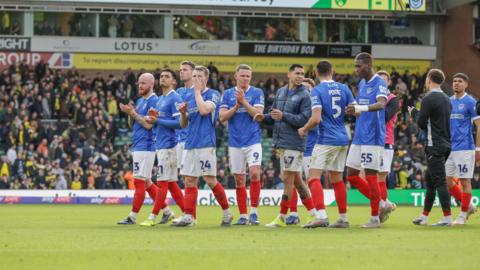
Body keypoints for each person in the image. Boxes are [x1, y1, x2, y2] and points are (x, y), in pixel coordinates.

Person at [255, 64, 319, 228]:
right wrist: (264, 117)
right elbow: (274, 114)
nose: (299, 76)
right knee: (297, 180)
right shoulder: (281, 92)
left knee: (288, 180)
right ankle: (313, 214)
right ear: (289, 74)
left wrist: (284, 116)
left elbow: (304, 119)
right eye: (297, 73)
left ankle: (282, 217)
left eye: (302, 74)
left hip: (294, 142)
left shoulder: (305, 95)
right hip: (281, 141)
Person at [172, 66, 233, 227]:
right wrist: (184, 113)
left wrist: (197, 92)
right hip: (190, 143)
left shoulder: (212, 94)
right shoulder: (190, 97)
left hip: (206, 143)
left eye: (199, 76)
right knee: (189, 180)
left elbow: (205, 110)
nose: (196, 79)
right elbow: (183, 124)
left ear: (206, 78)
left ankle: (227, 212)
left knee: (209, 179)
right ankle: (189, 216)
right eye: (194, 76)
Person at [298, 60, 356, 228]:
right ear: (332, 71)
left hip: (326, 139)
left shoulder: (317, 90)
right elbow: (353, 109)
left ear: (316, 73)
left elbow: (316, 119)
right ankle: (343, 218)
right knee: (337, 179)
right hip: (343, 137)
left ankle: (321, 215)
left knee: (313, 177)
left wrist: (304, 129)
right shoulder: (344, 88)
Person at [345, 52, 389, 228]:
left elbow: (381, 104)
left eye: (359, 66)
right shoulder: (362, 83)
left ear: (369, 65)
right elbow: (359, 106)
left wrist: (360, 107)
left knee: (371, 175)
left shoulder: (379, 82)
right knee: (352, 175)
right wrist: (353, 109)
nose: (356, 69)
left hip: (373, 136)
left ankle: (374, 218)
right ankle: (381, 204)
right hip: (359, 135)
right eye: (355, 66)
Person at [140, 69, 188, 227]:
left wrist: (157, 121)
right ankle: (188, 214)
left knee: (162, 182)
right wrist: (152, 118)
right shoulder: (160, 99)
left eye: (167, 76)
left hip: (169, 145)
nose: (163, 79)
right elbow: (158, 120)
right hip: (161, 144)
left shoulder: (175, 98)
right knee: (172, 183)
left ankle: (152, 217)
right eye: (161, 76)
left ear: (174, 81)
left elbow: (179, 124)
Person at [219, 64, 264, 225]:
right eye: (243, 75)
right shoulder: (228, 94)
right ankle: (243, 215)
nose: (245, 78)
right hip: (235, 142)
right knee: (239, 179)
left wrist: (243, 102)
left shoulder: (257, 92)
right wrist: (236, 106)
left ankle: (254, 212)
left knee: (254, 173)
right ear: (236, 76)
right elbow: (222, 117)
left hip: (253, 140)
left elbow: (258, 115)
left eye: (248, 76)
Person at [410, 69, 452, 226]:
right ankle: (424, 216)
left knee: (440, 182)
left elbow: (421, 123)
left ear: (429, 80)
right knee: (430, 181)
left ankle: (447, 218)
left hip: (434, 145)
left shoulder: (428, 98)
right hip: (446, 144)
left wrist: (414, 112)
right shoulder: (447, 99)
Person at [117, 73, 160, 225]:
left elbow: (149, 125)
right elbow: (132, 124)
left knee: (139, 181)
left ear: (151, 84)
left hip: (147, 146)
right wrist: (130, 113)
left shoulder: (155, 101)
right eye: (139, 83)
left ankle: (132, 216)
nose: (140, 85)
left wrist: (133, 113)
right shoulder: (140, 100)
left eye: (143, 83)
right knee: (147, 182)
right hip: (138, 145)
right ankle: (167, 212)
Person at [443, 73, 479, 225]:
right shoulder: (448, 101)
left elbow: (479, 126)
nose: (456, 83)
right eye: (454, 81)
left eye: (460, 81)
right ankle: (468, 206)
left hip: (465, 148)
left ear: (466, 85)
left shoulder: (471, 102)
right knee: (447, 181)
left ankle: (463, 215)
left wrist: (478, 148)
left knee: (465, 180)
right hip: (449, 148)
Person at [285, 78, 318, 226]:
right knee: (291, 181)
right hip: (295, 148)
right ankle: (293, 214)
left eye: (308, 88)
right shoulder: (294, 107)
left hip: (311, 150)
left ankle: (317, 213)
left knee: (311, 182)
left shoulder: (316, 107)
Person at [376, 70, 398, 222]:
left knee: (380, 175)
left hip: (385, 141)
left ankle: (383, 204)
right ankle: (385, 203)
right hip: (371, 141)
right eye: (379, 80)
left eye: (385, 80)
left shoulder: (392, 99)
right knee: (365, 175)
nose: (382, 82)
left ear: (389, 82)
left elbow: (383, 118)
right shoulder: (374, 98)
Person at [175, 60, 196, 219]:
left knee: (191, 178)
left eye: (185, 70)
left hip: (193, 140)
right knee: (185, 178)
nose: (182, 72)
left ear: (193, 72)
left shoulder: (199, 91)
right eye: (180, 70)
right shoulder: (178, 92)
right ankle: (188, 214)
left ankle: (190, 215)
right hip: (179, 140)